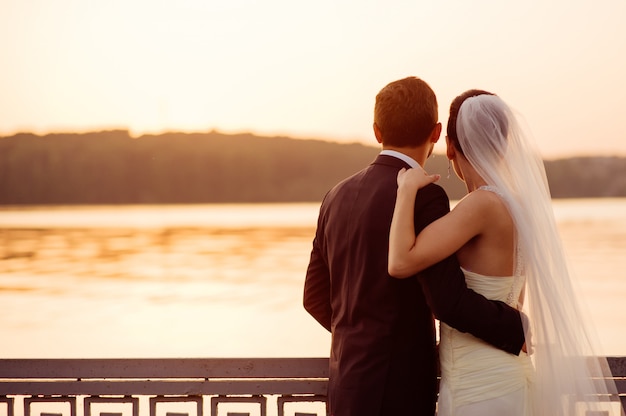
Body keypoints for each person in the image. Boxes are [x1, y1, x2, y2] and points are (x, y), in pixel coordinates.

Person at [388, 89, 621, 415]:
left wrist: (406, 190)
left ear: (450, 147)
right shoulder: (521, 207)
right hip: (512, 372)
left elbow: (400, 261)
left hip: (477, 385)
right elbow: (514, 299)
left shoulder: (481, 205)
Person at [303, 77, 526, 416]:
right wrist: (516, 327)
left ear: (377, 131)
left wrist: (360, 340)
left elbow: (314, 297)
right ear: (437, 134)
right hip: (402, 390)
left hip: (346, 385)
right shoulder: (427, 194)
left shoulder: (335, 196)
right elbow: (446, 298)